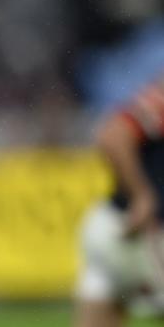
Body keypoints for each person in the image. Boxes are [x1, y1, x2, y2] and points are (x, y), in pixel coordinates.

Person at [75, 81, 164, 327]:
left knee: (100, 307)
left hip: (111, 227)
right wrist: (142, 195)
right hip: (138, 232)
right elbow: (113, 135)